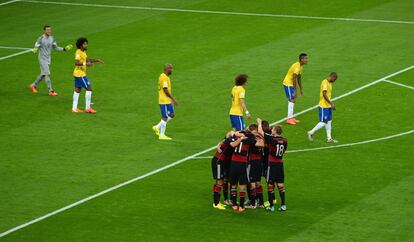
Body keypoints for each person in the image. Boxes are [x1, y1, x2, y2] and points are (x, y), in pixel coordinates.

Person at [29, 25, 72, 96]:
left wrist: (64, 49)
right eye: (47, 30)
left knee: (43, 74)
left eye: (50, 30)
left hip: (48, 59)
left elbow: (56, 48)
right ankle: (51, 91)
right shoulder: (40, 38)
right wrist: (35, 49)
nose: (49, 31)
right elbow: (36, 47)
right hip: (42, 59)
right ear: (44, 31)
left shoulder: (52, 38)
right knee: (47, 74)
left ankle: (33, 85)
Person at [229, 124, 263, 212]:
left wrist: (241, 136)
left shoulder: (236, 136)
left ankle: (234, 204)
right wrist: (260, 137)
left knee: (233, 185)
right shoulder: (249, 139)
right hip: (242, 163)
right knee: (242, 186)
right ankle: (241, 206)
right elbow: (261, 144)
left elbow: (233, 135)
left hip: (233, 162)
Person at [257, 119, 288, 212]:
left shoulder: (272, 139)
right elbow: (284, 151)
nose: (272, 129)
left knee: (270, 185)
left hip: (272, 164)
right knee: (280, 185)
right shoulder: (285, 140)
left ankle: (271, 206)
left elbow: (260, 131)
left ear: (275, 131)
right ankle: (283, 205)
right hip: (280, 164)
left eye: (273, 129)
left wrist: (259, 122)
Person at [71, 37, 104, 113]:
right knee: (89, 88)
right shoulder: (78, 52)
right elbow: (76, 63)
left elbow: (88, 60)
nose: (87, 45)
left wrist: (97, 60)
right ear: (81, 45)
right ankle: (88, 108)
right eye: (85, 44)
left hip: (78, 73)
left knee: (78, 89)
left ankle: (74, 108)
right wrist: (86, 64)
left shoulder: (83, 52)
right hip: (80, 74)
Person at [307, 72, 339, 143]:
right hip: (323, 106)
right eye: (335, 79)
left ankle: (329, 138)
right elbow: (324, 94)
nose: (335, 81)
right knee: (324, 122)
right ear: (332, 77)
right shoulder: (325, 82)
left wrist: (330, 105)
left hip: (328, 106)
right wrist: (331, 103)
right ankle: (311, 132)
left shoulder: (330, 83)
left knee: (329, 121)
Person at [152, 64, 178, 140]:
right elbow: (165, 90)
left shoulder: (164, 76)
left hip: (167, 100)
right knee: (165, 117)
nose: (172, 70)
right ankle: (162, 135)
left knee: (171, 114)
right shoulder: (164, 78)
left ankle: (157, 127)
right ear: (166, 69)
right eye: (171, 69)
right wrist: (173, 99)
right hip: (164, 101)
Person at [211, 131, 236, 210]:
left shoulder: (229, 139)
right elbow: (232, 142)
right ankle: (216, 203)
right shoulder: (230, 139)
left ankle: (217, 201)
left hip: (222, 161)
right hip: (219, 161)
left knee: (220, 181)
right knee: (219, 181)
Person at [282, 53, 308, 125]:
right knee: (292, 99)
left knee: (293, 100)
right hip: (288, 83)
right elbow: (294, 78)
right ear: (301, 59)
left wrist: (301, 89)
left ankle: (291, 117)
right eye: (305, 59)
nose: (307, 60)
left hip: (290, 84)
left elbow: (299, 78)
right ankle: (289, 119)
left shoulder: (300, 66)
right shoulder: (297, 67)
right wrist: (295, 90)